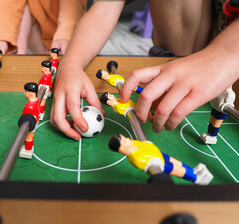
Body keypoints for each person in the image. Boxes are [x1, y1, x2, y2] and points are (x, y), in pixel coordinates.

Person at [50, 0, 239, 140]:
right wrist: (71, 64)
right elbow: (104, 10)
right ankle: (180, 64)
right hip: (190, 48)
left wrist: (220, 58)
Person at [108, 134, 213, 185]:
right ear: (121, 149)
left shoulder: (133, 143)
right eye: (124, 141)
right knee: (178, 170)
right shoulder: (133, 157)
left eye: (125, 137)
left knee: (177, 163)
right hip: (157, 163)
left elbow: (143, 144)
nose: (127, 139)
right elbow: (143, 162)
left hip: (159, 154)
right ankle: (196, 178)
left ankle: (193, 171)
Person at [0, 0, 86, 55]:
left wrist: (64, 37)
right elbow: (8, 5)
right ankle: (19, 57)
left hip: (71, 43)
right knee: (22, 10)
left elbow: (72, 9)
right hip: (41, 41)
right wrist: (1, 39)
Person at [19, 82, 40, 159]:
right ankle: (29, 148)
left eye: (26, 91)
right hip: (35, 120)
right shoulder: (37, 100)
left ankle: (28, 150)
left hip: (31, 124)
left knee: (28, 137)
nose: (24, 93)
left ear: (30, 93)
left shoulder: (29, 106)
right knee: (31, 136)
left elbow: (26, 117)